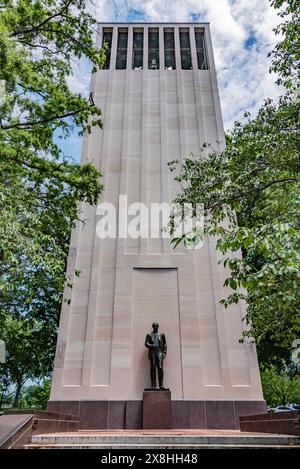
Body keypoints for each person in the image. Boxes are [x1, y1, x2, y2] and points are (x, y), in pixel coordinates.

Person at [145, 322, 167, 389]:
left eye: (156, 326)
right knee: (153, 368)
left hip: (159, 352)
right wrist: (152, 346)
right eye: (154, 326)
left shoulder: (162, 335)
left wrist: (164, 353)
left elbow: (165, 344)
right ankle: (153, 385)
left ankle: (161, 384)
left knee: (160, 367)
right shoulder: (149, 335)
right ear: (152, 327)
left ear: (158, 326)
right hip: (152, 352)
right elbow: (146, 343)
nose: (155, 327)